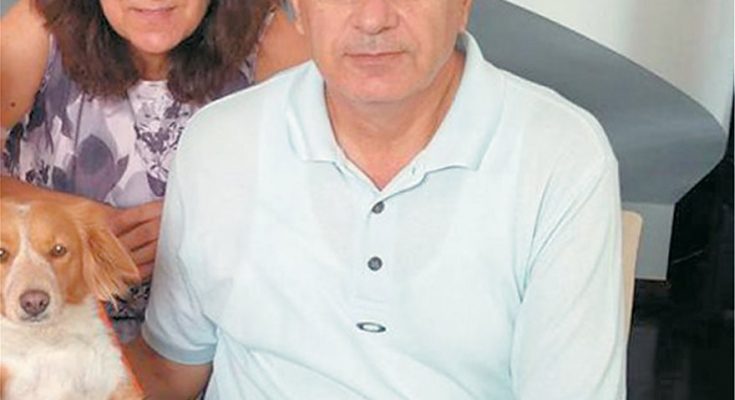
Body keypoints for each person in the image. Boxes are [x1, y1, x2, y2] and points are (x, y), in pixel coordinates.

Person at [129, 0, 627, 397]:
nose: (372, 19)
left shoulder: (561, 156)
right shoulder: (219, 141)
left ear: (463, 4)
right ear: (298, 9)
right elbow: (172, 369)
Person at [0, 0, 309, 342]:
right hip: (41, 330)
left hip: (216, 340)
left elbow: (327, 210)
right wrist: (78, 220)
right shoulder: (40, 25)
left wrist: (199, 228)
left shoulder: (272, 40)